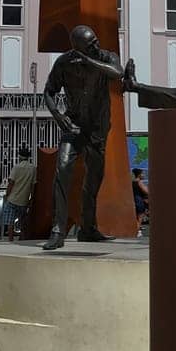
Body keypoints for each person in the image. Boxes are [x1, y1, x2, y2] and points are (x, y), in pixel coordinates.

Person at [41, 25, 129, 250]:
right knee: (62, 171)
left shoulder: (107, 57)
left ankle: (88, 228)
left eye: (96, 41)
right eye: (90, 45)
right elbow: (49, 91)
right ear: (77, 48)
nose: (96, 46)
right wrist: (57, 115)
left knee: (94, 178)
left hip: (97, 128)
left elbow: (118, 74)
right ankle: (58, 230)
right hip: (73, 125)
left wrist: (89, 61)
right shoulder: (64, 63)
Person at [3, 147, 36, 241]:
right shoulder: (33, 168)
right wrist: (31, 199)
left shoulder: (16, 167)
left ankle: (10, 240)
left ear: (20, 157)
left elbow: (11, 183)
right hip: (24, 200)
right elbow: (33, 185)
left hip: (13, 199)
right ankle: (22, 238)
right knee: (22, 222)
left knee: (10, 222)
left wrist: (7, 195)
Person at [131, 168, 150, 236]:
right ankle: (136, 231)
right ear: (139, 175)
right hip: (139, 201)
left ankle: (136, 231)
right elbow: (146, 192)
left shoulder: (132, 182)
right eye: (142, 174)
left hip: (135, 200)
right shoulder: (139, 182)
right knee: (140, 218)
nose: (143, 175)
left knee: (137, 217)